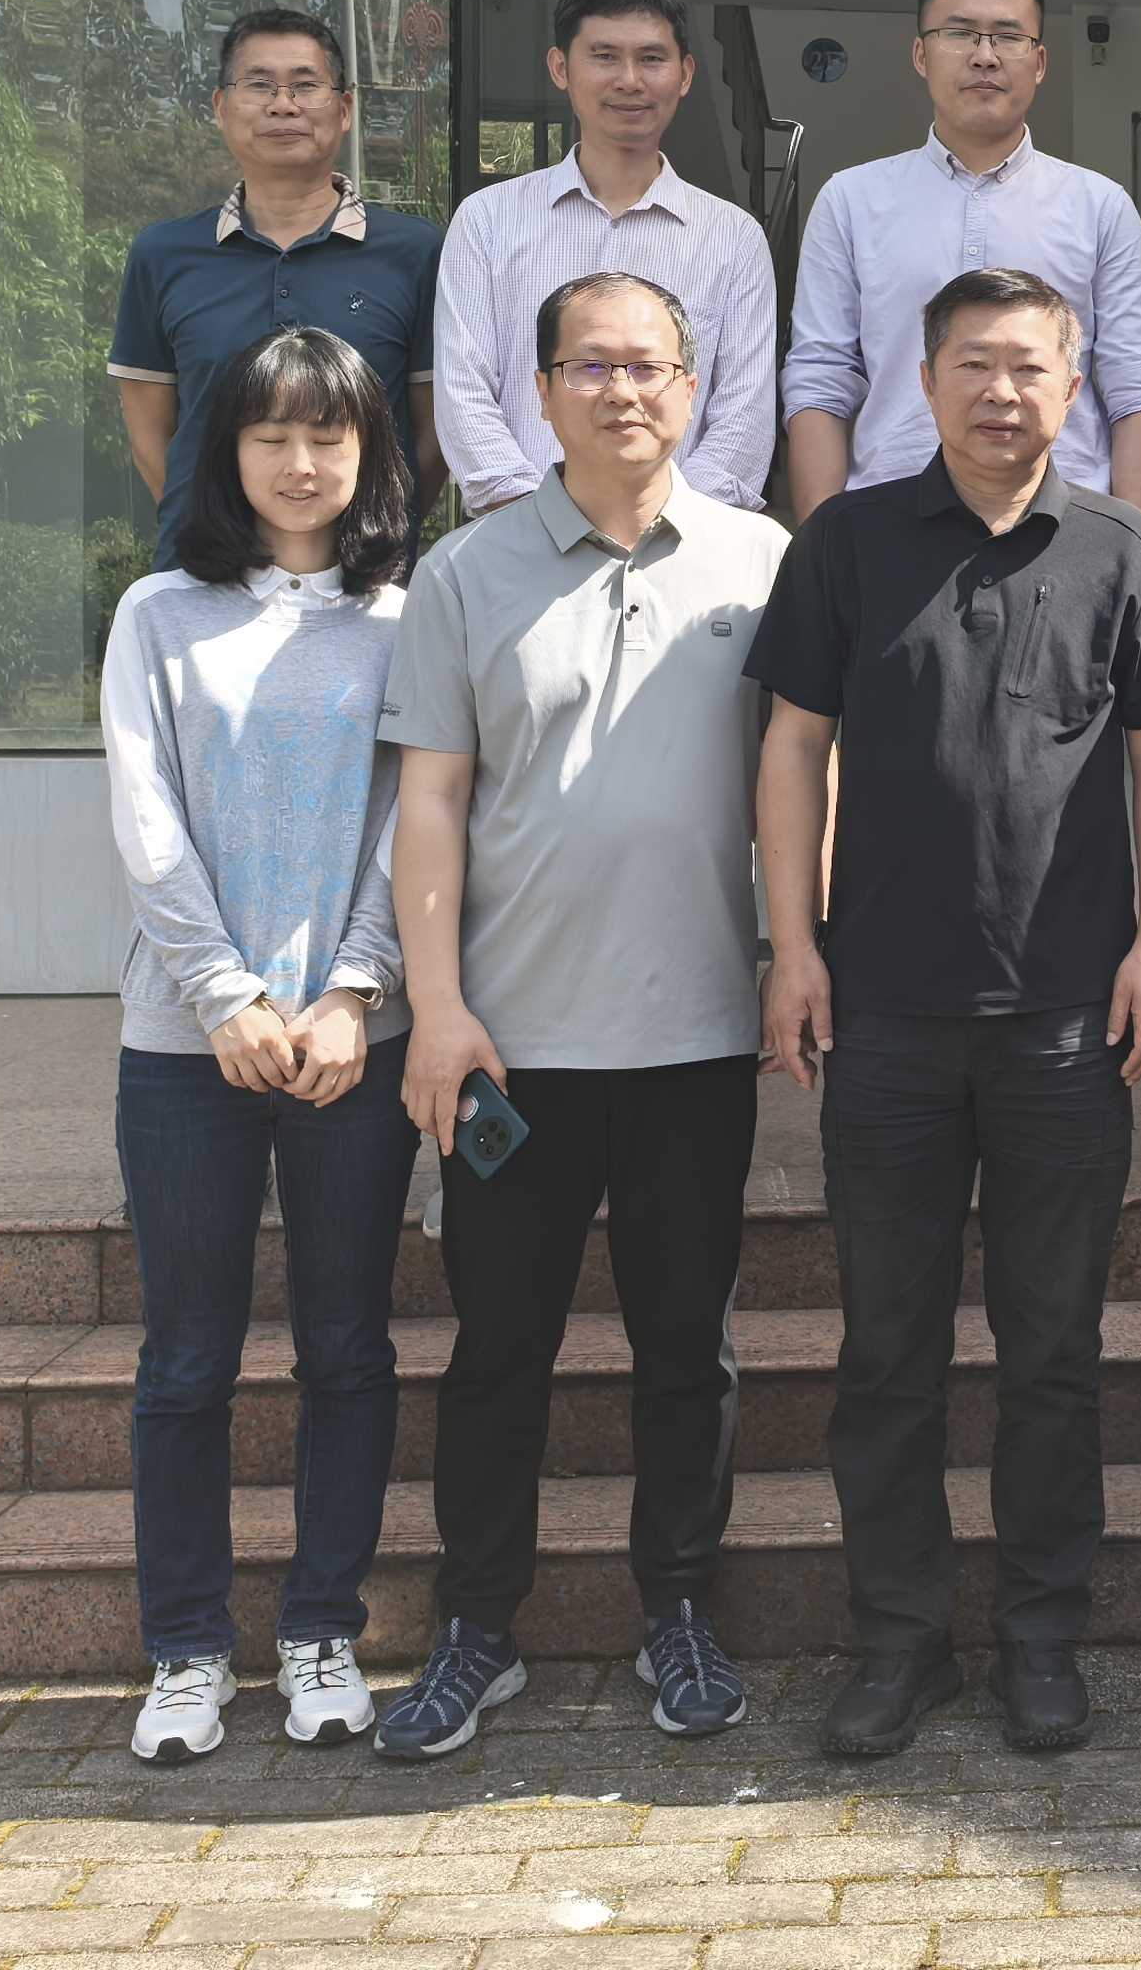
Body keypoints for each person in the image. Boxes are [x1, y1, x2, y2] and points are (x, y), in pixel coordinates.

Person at [754, 267, 1141, 1763]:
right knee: (885, 1353)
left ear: (1072, 388)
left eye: (1029, 367)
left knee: (1051, 1351)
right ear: (926, 378)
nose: (1001, 392)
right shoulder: (848, 542)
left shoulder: (1120, 547)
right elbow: (793, 747)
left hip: (1065, 1020)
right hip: (881, 1016)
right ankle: (899, 1643)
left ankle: (1039, 1637)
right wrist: (792, 945)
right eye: (973, 364)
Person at [372, 269, 790, 1761]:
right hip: (511, 1053)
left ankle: (678, 1609)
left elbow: (800, 783)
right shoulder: (463, 575)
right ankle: (476, 1628)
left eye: (648, 365)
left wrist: (801, 955)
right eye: (590, 365)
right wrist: (436, 1008)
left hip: (696, 1038)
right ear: (541, 391)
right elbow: (430, 802)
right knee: (500, 1351)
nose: (622, 390)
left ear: (693, 387)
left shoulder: (763, 562)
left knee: (690, 1352)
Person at [102, 328, 419, 1767]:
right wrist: (224, 993)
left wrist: (354, 987)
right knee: (187, 1359)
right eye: (270, 435)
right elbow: (144, 815)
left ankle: (320, 1631)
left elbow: (419, 819)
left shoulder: (409, 619)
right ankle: (184, 1651)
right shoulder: (159, 614)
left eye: (327, 437)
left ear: (367, 454)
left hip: (356, 1045)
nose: (300, 463)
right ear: (223, 451)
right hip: (189, 1046)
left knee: (347, 1349)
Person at [783, 0, 1141, 518]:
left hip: (1065, 524)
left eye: (1008, 37)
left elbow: (1136, 382)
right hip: (889, 519)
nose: (985, 56)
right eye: (960, 33)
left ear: (1039, 63)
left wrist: (1127, 545)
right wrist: (825, 541)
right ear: (921, 54)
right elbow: (820, 377)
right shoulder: (850, 201)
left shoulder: (1100, 207)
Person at [430, 0, 781, 514]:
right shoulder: (488, 221)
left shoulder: (733, 239)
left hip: (683, 547)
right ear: (560, 68)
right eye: (604, 56)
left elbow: (744, 415)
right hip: (519, 536)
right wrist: (536, 522)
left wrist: (671, 527)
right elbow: (463, 391)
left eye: (652, 58)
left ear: (685, 74)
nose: (629, 80)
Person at [109, 9, 443, 555]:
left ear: (344, 109)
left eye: (305, 86)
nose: (283, 104)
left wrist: (384, 526)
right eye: (259, 84)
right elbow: (150, 433)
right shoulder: (163, 254)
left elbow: (434, 430)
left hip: (363, 574)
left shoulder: (416, 252)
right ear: (221, 108)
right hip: (203, 571)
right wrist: (213, 524)